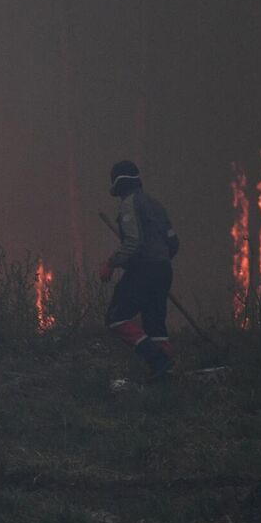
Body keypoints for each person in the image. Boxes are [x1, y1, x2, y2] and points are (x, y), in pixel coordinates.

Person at [99, 160, 178, 380]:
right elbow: (173, 243)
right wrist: (160, 262)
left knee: (116, 317)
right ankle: (166, 374)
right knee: (155, 326)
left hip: (144, 271)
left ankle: (158, 360)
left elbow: (133, 243)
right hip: (163, 271)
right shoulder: (156, 205)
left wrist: (111, 263)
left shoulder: (129, 204)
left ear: (119, 186)